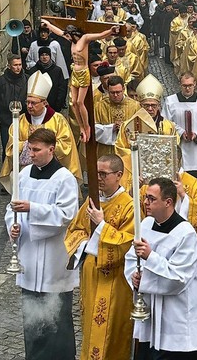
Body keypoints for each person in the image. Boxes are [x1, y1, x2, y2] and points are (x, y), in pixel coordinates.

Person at [5, 128, 80, 359]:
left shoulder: (65, 178)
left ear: (51, 149)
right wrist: (13, 226)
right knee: (33, 322)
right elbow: (11, 208)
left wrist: (32, 209)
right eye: (29, 148)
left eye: (36, 149)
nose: (31, 154)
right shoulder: (23, 175)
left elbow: (67, 214)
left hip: (53, 262)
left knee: (56, 324)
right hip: (28, 257)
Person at [125, 178, 197, 360]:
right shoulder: (145, 225)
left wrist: (150, 257)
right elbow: (130, 258)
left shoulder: (186, 234)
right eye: (145, 197)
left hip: (176, 322)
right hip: (150, 319)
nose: (145, 202)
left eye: (151, 199)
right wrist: (135, 277)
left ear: (168, 202)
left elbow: (179, 279)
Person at [64, 154, 135, 360]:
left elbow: (127, 243)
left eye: (103, 174)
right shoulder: (91, 200)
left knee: (111, 332)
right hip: (91, 276)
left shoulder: (129, 205)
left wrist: (102, 226)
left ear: (119, 175)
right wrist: (86, 245)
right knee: (89, 329)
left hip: (114, 280)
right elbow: (75, 230)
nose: (98, 178)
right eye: (95, 174)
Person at [0, 71, 82, 191]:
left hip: (52, 174)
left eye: (33, 103)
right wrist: (27, 143)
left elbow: (66, 146)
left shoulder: (58, 120)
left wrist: (42, 143)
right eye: (27, 102)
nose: (29, 106)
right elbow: (11, 149)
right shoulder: (20, 121)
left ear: (44, 103)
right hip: (26, 174)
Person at [40, 19, 120, 142]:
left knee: (80, 102)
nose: (68, 37)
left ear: (75, 33)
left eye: (70, 35)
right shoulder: (71, 40)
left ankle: (87, 127)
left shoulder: (85, 39)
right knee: (74, 102)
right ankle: (81, 127)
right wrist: (49, 25)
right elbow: (59, 32)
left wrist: (111, 30)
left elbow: (99, 35)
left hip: (83, 73)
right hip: (75, 72)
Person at [114, 75, 178, 192]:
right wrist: (139, 155)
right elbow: (120, 148)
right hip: (137, 175)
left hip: (161, 175)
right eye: (146, 105)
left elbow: (175, 149)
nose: (150, 108)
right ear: (140, 105)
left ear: (159, 105)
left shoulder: (168, 126)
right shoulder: (128, 125)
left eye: (153, 105)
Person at [162, 72, 197, 209]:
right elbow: (166, 123)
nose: (187, 88)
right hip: (180, 147)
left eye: (190, 85)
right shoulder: (170, 101)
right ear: (180, 85)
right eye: (185, 86)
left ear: (195, 85)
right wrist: (180, 132)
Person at [0, 53, 28, 161]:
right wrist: (1, 116)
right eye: (15, 65)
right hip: (6, 121)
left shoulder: (27, 80)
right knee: (7, 149)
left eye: (20, 64)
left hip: (24, 120)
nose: (18, 67)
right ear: (9, 66)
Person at [94, 75, 141, 157]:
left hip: (127, 150)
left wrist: (124, 127)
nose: (115, 95)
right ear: (108, 90)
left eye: (118, 92)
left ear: (123, 89)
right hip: (106, 150)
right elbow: (94, 130)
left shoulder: (135, 106)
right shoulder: (99, 106)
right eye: (112, 92)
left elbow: (140, 128)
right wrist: (111, 128)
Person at [27, 46, 68, 112]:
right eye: (42, 55)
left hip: (54, 106)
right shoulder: (33, 71)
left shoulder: (57, 70)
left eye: (46, 55)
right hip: (37, 107)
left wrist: (58, 105)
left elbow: (62, 89)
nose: (44, 57)